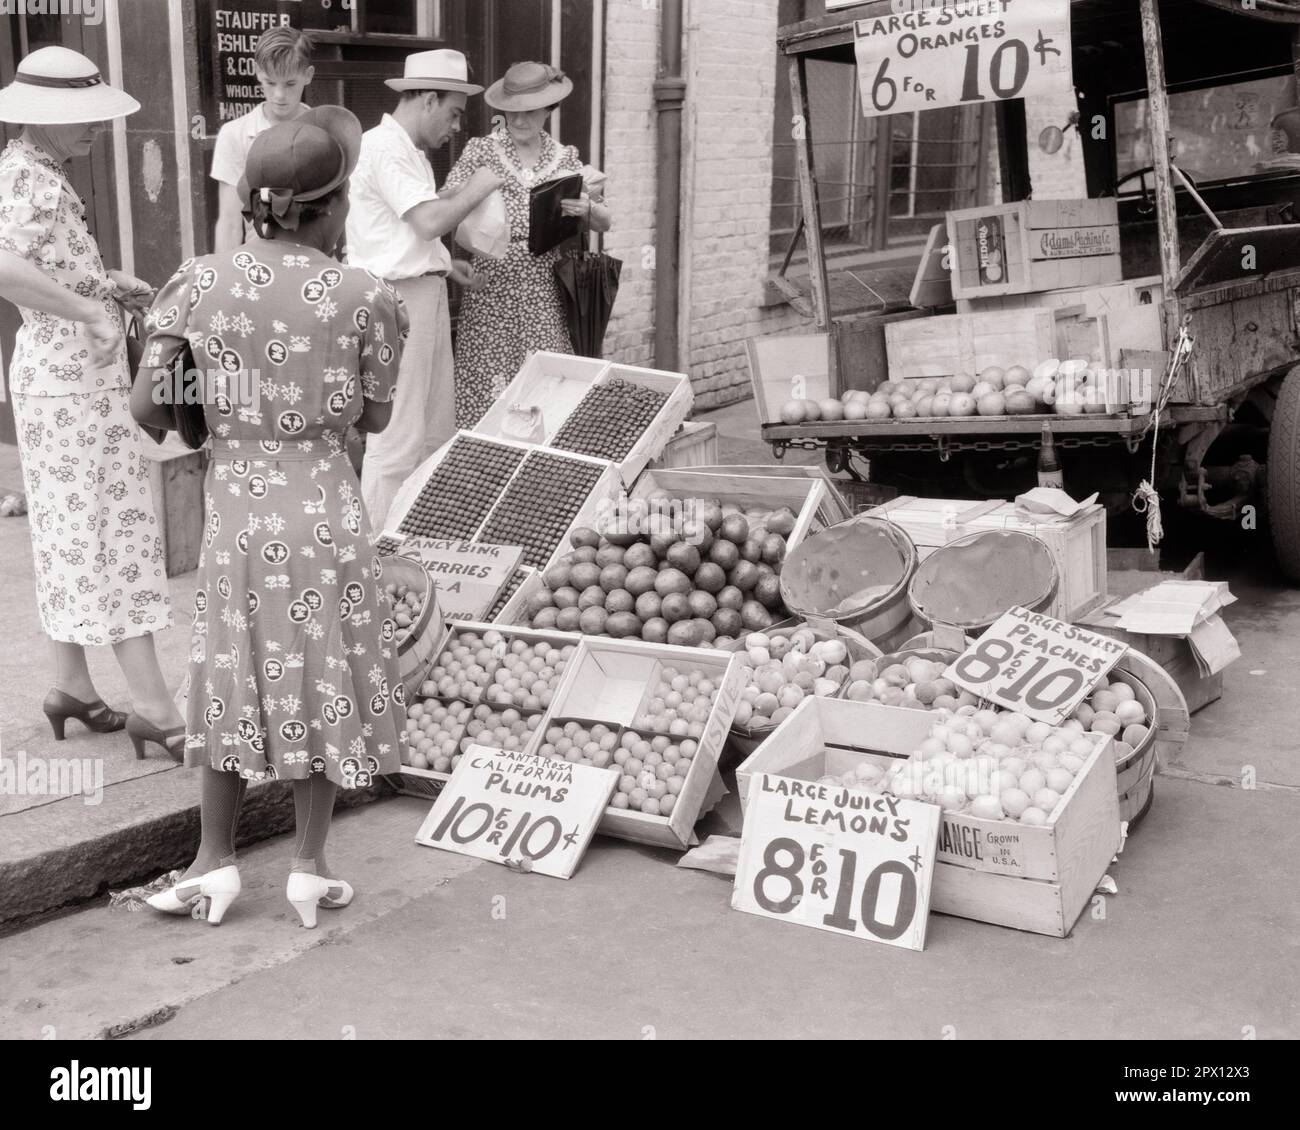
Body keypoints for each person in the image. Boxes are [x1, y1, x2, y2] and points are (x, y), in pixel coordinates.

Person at [132, 106, 409, 928]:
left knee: (228, 677)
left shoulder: (196, 282)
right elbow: (379, 422)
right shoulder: (369, 295)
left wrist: (218, 396)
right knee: (319, 674)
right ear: (329, 208)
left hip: (238, 513)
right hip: (325, 507)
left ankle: (212, 864)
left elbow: (148, 402)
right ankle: (307, 866)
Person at [0, 46, 184, 756]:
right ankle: (157, 707)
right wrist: (90, 310)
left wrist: (103, 286)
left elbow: (38, 265)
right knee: (109, 534)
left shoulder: (33, 172)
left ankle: (71, 683)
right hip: (71, 381)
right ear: (43, 119)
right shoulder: (30, 178)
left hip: (58, 376)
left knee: (71, 532)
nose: (93, 130)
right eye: (80, 118)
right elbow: (5, 265)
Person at [347, 49, 503, 532]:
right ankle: (373, 556)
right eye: (454, 113)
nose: (456, 126)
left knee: (435, 433)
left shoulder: (407, 151)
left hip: (417, 293)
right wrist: (479, 186)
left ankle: (417, 541)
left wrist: (442, 263)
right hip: (397, 300)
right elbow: (429, 219)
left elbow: (411, 231)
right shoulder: (385, 147)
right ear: (429, 99)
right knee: (397, 438)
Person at [443, 61, 611, 429]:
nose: (518, 121)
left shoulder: (564, 156)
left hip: (543, 293)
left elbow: (605, 221)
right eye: (511, 112)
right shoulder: (481, 150)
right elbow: (443, 206)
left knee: (545, 393)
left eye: (530, 112)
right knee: (487, 394)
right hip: (490, 291)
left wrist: (586, 208)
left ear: (549, 109)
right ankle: (484, 478)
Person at [210, 26, 315, 252]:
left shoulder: (326, 131)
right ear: (257, 72)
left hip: (317, 266)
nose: (279, 95)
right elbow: (229, 223)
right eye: (270, 82)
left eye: (289, 84)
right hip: (259, 268)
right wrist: (223, 280)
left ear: (308, 75)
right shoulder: (235, 134)